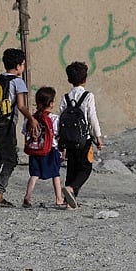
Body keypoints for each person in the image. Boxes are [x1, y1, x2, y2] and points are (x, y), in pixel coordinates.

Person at [0, 48, 38, 207]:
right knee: (11, 159)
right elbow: (21, 106)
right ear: (19, 66)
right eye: (23, 65)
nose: (23, 68)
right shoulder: (18, 82)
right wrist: (31, 119)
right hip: (7, 124)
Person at [59, 61, 104, 209]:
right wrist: (98, 136)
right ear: (85, 79)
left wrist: (61, 141)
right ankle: (72, 189)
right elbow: (92, 116)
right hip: (84, 139)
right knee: (85, 167)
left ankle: (68, 202)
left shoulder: (65, 97)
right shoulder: (88, 96)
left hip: (69, 140)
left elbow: (61, 119)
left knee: (71, 168)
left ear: (69, 79)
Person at [22, 86, 66, 209]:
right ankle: (59, 198)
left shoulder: (30, 119)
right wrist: (63, 150)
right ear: (51, 103)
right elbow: (58, 135)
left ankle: (28, 196)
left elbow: (24, 132)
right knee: (55, 175)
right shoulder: (54, 118)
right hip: (50, 150)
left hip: (34, 151)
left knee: (34, 175)